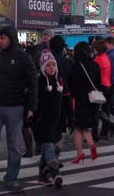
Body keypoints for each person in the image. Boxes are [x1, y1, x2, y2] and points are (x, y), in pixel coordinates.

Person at [0, 26, 37, 194]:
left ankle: (11, 178)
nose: (0, 40)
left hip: (15, 107)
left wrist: (31, 106)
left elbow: (33, 83)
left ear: (11, 38)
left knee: (15, 147)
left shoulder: (22, 57)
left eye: (3, 37)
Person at [33, 52, 65, 187]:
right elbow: (34, 101)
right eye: (48, 65)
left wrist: (67, 118)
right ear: (42, 68)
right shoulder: (39, 82)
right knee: (50, 147)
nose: (51, 67)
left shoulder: (59, 81)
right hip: (42, 121)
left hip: (56, 121)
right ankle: (55, 173)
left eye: (53, 65)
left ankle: (43, 175)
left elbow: (64, 102)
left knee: (53, 148)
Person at [69, 42, 101, 164]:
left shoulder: (76, 66)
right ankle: (91, 145)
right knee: (85, 126)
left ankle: (80, 153)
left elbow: (72, 85)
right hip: (92, 99)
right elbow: (98, 82)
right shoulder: (94, 64)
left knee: (78, 127)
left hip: (79, 100)